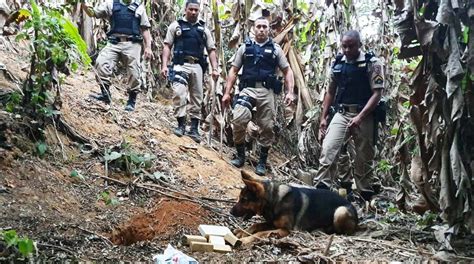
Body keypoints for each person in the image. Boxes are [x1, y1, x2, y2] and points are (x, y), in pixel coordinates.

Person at [315, 30, 384, 201]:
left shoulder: (372, 63)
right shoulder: (338, 63)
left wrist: (360, 117)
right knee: (328, 149)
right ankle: (321, 192)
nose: (347, 50)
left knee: (363, 157)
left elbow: (377, 94)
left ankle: (365, 196)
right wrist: (323, 118)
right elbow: (330, 92)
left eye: (351, 46)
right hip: (342, 113)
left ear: (359, 44)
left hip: (364, 115)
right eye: (344, 46)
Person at [222, 17, 295, 176]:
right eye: (258, 26)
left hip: (266, 92)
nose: (261, 29)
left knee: (267, 126)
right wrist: (227, 93)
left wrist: (290, 92)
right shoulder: (244, 48)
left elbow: (287, 71)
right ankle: (241, 155)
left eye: (264, 27)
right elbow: (234, 70)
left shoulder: (276, 49)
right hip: (247, 89)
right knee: (239, 119)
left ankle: (262, 162)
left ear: (269, 29)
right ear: (253, 29)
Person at [161, 0, 219, 143]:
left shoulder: (203, 29)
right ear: (185, 10)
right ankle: (180, 125)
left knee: (197, 97)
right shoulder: (176, 26)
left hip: (197, 66)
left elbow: (211, 49)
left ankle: (194, 129)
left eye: (196, 10)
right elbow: (167, 46)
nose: (193, 12)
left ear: (199, 11)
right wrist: (164, 65)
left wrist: (215, 68)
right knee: (179, 93)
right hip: (180, 64)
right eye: (191, 9)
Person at [81, 0, 153, 111]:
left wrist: (148, 47)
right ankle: (105, 94)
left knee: (134, 72)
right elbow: (93, 13)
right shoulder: (111, 4)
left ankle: (131, 101)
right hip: (114, 42)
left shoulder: (139, 8)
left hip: (132, 44)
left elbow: (145, 29)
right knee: (101, 63)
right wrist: (83, 4)